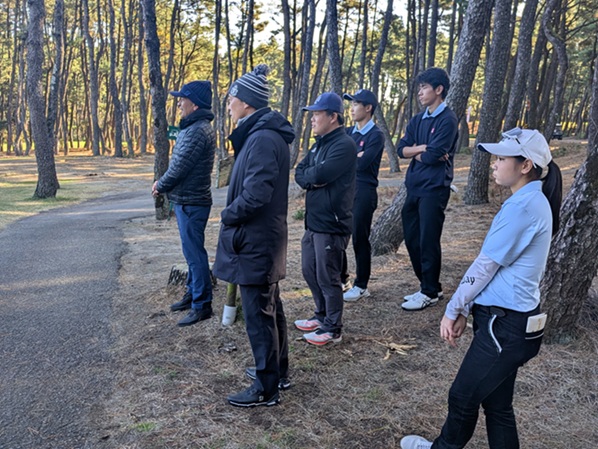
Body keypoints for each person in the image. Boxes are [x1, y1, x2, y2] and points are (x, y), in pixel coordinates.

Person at [400, 128, 563, 449]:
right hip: (511, 323)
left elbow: (485, 266)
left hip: (505, 326)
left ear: (525, 165)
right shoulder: (531, 200)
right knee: (497, 405)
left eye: (501, 158)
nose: (494, 164)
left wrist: (453, 308)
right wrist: (467, 307)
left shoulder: (523, 207)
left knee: (462, 397)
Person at [212, 64, 295, 407]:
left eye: (231, 99)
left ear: (246, 102)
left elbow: (257, 194)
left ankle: (266, 387)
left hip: (256, 242)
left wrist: (227, 215)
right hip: (259, 240)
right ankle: (277, 372)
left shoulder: (261, 138)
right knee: (270, 308)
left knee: (259, 316)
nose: (228, 105)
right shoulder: (261, 134)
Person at [294, 92, 357, 346]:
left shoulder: (344, 145)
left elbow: (321, 174)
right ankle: (320, 315)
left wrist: (314, 177)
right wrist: (313, 178)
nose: (312, 119)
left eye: (317, 114)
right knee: (309, 270)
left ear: (333, 117)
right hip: (314, 222)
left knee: (328, 276)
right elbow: (301, 173)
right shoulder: (318, 144)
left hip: (332, 223)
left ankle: (332, 328)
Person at [152, 80, 216, 327]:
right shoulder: (194, 127)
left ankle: (202, 305)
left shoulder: (198, 130)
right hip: (188, 200)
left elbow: (179, 167)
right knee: (191, 253)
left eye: (182, 99)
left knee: (195, 254)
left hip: (192, 201)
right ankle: (192, 293)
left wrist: (160, 185)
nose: (179, 103)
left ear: (195, 104)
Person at [397, 67, 459, 311]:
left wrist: (419, 151)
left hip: (434, 189)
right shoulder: (417, 119)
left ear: (438, 89)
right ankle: (428, 284)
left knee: (428, 240)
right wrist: (422, 148)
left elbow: (434, 156)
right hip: (414, 187)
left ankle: (430, 292)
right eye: (419, 88)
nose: (420, 93)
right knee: (412, 238)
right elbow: (401, 149)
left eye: (424, 88)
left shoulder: (448, 119)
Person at [340, 89, 385, 302]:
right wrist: (353, 156)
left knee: (359, 237)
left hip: (364, 192)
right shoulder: (348, 132)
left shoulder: (376, 135)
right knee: (339, 235)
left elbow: (363, 164)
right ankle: (343, 279)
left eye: (356, 104)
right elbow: (337, 158)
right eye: (351, 104)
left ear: (368, 108)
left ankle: (361, 285)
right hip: (345, 191)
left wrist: (350, 158)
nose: (351, 109)